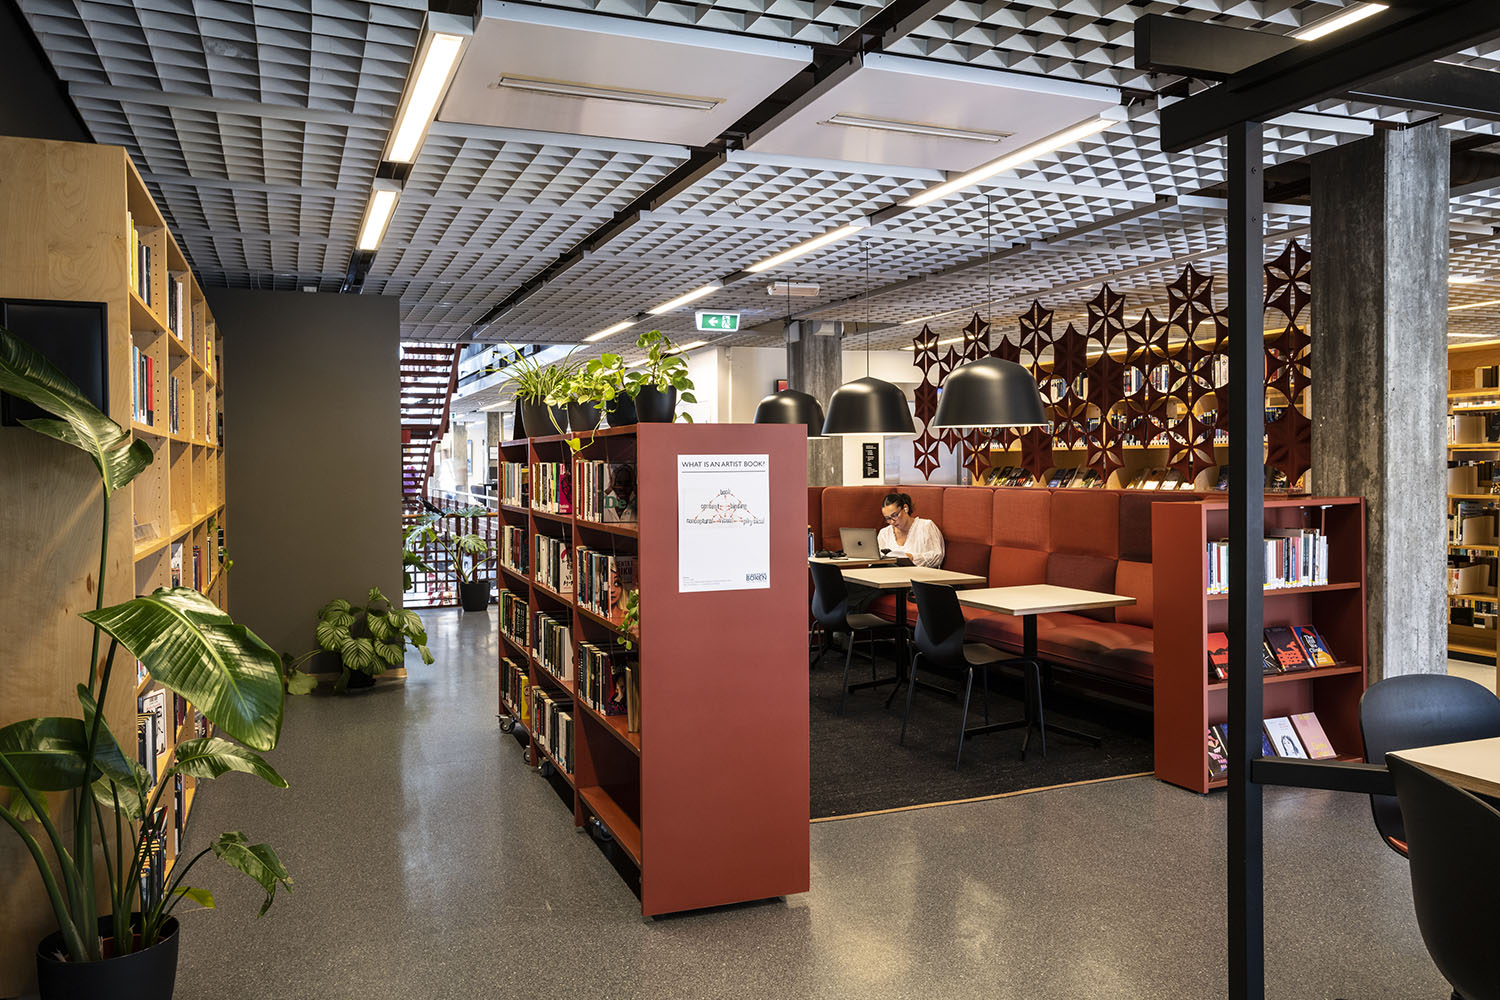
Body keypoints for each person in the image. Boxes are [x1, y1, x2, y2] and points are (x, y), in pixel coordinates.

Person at [876, 492, 944, 569]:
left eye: (894, 515)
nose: (892, 522)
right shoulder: (884, 533)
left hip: (920, 574)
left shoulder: (926, 526)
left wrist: (913, 557)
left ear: (905, 508)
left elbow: (938, 556)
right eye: (888, 518)